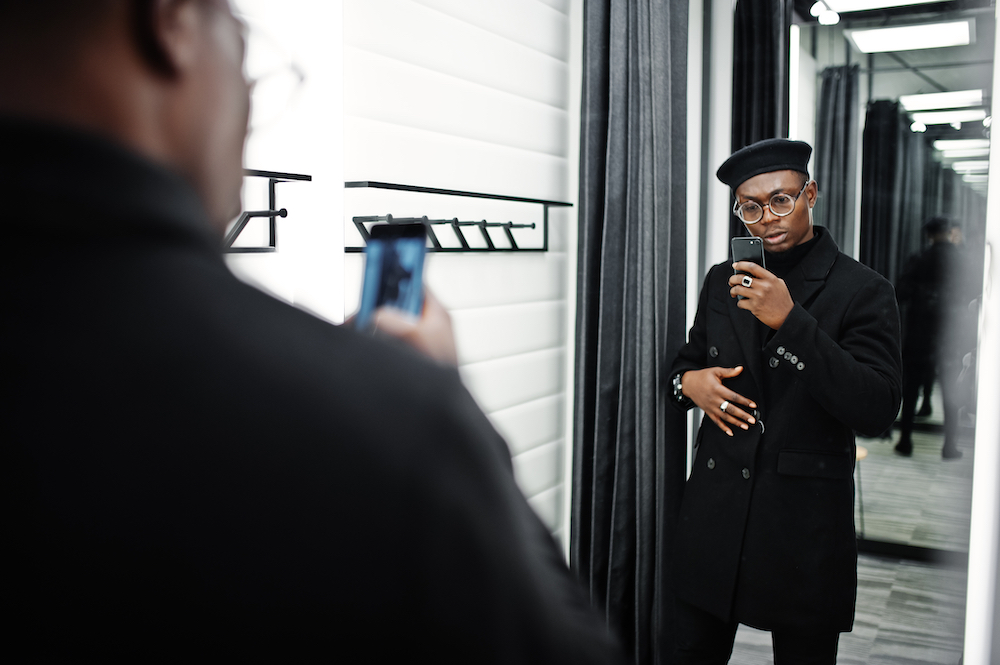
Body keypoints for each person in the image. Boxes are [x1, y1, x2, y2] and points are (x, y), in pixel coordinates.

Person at [0, 1, 623, 661]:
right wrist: (442, 398)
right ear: (172, 21)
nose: (248, 97)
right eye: (243, 49)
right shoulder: (393, 422)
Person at [667, 139, 902, 664]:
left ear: (810, 194)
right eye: (749, 206)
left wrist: (792, 323)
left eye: (781, 200)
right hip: (715, 510)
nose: (765, 219)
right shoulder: (721, 280)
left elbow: (877, 408)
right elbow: (683, 365)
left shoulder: (863, 289)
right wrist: (690, 386)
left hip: (801, 524)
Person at [895, 217, 977, 459]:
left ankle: (905, 440)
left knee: (911, 390)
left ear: (929, 235)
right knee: (951, 388)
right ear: (949, 232)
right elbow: (974, 292)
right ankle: (949, 445)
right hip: (949, 333)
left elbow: (901, 292)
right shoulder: (961, 260)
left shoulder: (919, 260)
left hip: (921, 331)